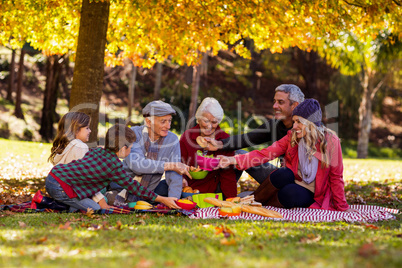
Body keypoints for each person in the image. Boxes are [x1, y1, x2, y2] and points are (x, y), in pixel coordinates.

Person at [217, 99, 355, 212]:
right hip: (294, 179)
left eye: (298, 122)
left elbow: (336, 177)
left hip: (314, 193)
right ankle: (250, 201)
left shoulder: (330, 141)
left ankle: (254, 203)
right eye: (294, 121)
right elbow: (266, 153)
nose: (294, 126)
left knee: (289, 193)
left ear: (310, 124)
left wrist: (342, 207)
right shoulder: (293, 136)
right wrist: (232, 159)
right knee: (283, 173)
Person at [45, 124, 180, 211]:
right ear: (122, 149)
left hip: (55, 176)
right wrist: (161, 198)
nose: (130, 152)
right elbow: (134, 186)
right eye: (130, 149)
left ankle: (68, 202)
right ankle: (50, 203)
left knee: (90, 203)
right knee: (95, 209)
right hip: (60, 186)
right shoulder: (114, 166)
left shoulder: (97, 151)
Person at [203, 84, 304, 184]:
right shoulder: (275, 125)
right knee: (237, 155)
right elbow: (248, 138)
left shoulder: (306, 129)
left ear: (294, 105)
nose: (274, 106)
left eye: (280, 102)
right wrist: (219, 144)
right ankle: (227, 195)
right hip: (280, 176)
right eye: (274, 102)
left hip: (300, 182)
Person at [119, 100, 191, 202]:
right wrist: (171, 165)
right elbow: (137, 166)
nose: (168, 126)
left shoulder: (172, 139)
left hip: (151, 191)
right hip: (126, 187)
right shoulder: (134, 134)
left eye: (169, 121)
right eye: (163, 121)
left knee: (169, 185)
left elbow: (174, 175)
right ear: (148, 122)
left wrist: (173, 201)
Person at [46, 112, 112, 209]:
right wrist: (102, 203)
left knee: (102, 188)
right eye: (87, 128)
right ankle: (57, 205)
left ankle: (69, 204)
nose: (90, 131)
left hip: (53, 184)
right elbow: (88, 179)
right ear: (76, 130)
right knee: (95, 208)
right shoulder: (80, 146)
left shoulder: (68, 144)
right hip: (62, 189)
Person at [180, 97, 237, 198]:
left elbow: (228, 175)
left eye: (214, 122)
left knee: (239, 156)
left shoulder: (224, 139)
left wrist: (231, 200)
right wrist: (182, 180)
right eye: (206, 121)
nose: (209, 126)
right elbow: (179, 163)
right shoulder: (187, 136)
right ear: (199, 119)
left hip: (214, 190)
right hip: (189, 188)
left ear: (218, 122)